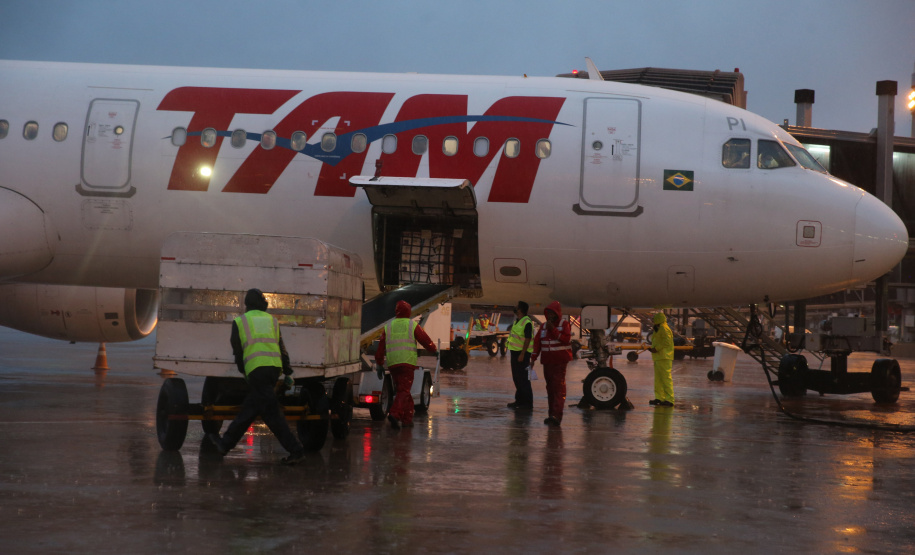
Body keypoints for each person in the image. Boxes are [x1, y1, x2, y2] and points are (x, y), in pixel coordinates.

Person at [207, 289, 306, 465]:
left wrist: (244, 371)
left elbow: (238, 352)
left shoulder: (240, 321)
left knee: (263, 413)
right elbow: (281, 347)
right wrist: (288, 371)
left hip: (256, 371)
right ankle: (225, 444)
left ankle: (296, 450)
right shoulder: (272, 321)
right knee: (261, 411)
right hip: (273, 370)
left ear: (247, 304)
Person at [375, 300, 437, 429]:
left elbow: (381, 347)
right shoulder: (411, 325)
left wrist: (379, 363)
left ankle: (407, 420)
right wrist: (434, 350)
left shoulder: (388, 326)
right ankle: (394, 414)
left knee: (403, 391)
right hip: (407, 363)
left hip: (393, 364)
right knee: (404, 391)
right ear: (408, 311)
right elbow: (425, 340)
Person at [530, 301, 572, 426]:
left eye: (552, 313)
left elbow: (565, 339)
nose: (550, 316)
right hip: (547, 362)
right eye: (548, 313)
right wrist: (533, 359)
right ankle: (551, 414)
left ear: (557, 313)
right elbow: (537, 343)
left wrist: (553, 329)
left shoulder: (564, 325)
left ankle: (556, 415)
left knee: (558, 388)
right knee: (550, 388)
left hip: (559, 362)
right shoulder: (543, 326)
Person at [506, 301, 534, 410]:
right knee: (517, 378)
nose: (515, 308)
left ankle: (527, 404)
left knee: (523, 379)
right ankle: (519, 401)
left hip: (522, 354)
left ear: (521, 309)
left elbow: (528, 338)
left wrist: (522, 353)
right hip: (515, 352)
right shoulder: (518, 321)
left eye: (517, 307)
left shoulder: (527, 322)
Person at [648, 312, 675, 407]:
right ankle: (659, 398)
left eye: (654, 318)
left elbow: (667, 342)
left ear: (658, 319)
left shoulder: (664, 328)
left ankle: (669, 399)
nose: (653, 320)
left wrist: (656, 348)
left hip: (664, 356)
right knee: (658, 379)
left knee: (666, 378)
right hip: (659, 357)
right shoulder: (659, 328)